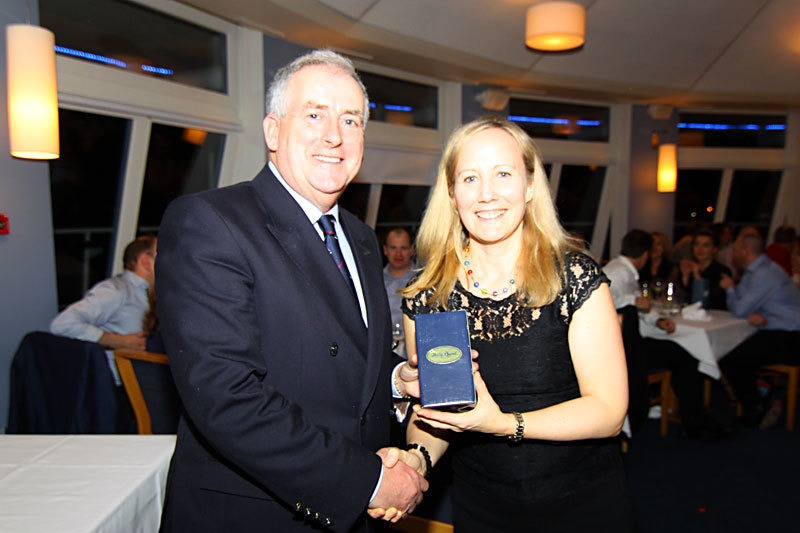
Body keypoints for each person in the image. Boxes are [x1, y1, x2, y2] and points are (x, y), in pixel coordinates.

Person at [155, 50, 426, 532]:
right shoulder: (210, 222)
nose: (334, 136)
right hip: (257, 513)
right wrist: (367, 482)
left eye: (350, 120)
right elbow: (226, 397)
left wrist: (395, 379)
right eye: (314, 115)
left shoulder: (361, 238)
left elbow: (345, 356)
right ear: (273, 131)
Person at [397, 116, 634, 531]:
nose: (486, 194)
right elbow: (438, 415)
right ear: (451, 193)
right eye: (470, 178)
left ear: (529, 186)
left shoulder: (574, 278)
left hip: (583, 504)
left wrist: (505, 424)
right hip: (482, 508)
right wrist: (416, 459)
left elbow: (609, 411)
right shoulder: (428, 295)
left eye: (503, 174)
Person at [605, 230, 721, 439]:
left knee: (680, 353)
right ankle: (693, 420)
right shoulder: (618, 272)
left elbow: (638, 307)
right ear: (646, 254)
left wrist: (657, 321)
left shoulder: (624, 270)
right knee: (685, 356)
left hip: (628, 344)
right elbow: (604, 299)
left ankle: (692, 417)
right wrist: (633, 301)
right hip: (622, 351)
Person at [719, 233, 800, 426]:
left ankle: (758, 405)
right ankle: (763, 393)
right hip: (780, 329)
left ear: (745, 252)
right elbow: (744, 305)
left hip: (792, 337)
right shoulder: (757, 271)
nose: (732, 255)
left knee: (731, 358)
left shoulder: (764, 274)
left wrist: (729, 288)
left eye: (735, 250)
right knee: (731, 352)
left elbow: (739, 309)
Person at [50, 235, 156, 351]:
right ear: (146, 262)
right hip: (117, 362)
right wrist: (117, 341)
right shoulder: (116, 291)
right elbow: (63, 324)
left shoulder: (155, 294)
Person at [674, 229, 731, 309]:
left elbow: (711, 302)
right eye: (696, 244)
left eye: (706, 245)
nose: (700, 249)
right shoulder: (689, 268)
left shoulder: (722, 271)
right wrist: (685, 277)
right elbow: (680, 299)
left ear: (714, 249)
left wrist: (697, 276)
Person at [382, 227, 416, 343]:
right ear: (385, 250)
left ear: (412, 250)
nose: (398, 254)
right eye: (393, 248)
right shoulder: (374, 281)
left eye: (403, 248)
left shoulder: (423, 281)